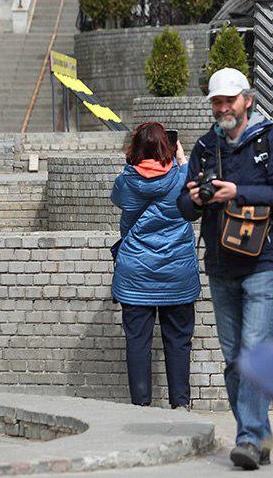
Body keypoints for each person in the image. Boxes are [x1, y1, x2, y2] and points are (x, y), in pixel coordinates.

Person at [177, 68, 273, 471]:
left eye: (229, 100)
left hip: (264, 260)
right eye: (216, 102)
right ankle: (259, 432)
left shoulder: (271, 140)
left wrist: (239, 192)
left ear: (246, 100)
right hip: (219, 261)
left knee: (252, 350)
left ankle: (247, 438)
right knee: (234, 357)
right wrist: (196, 198)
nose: (223, 108)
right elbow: (182, 207)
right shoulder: (203, 147)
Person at [111, 122, 199, 410]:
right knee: (178, 342)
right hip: (177, 274)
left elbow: (117, 199)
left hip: (135, 273)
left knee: (138, 343)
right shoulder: (183, 176)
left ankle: (141, 406)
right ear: (168, 146)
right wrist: (182, 159)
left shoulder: (127, 180)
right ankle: (181, 406)